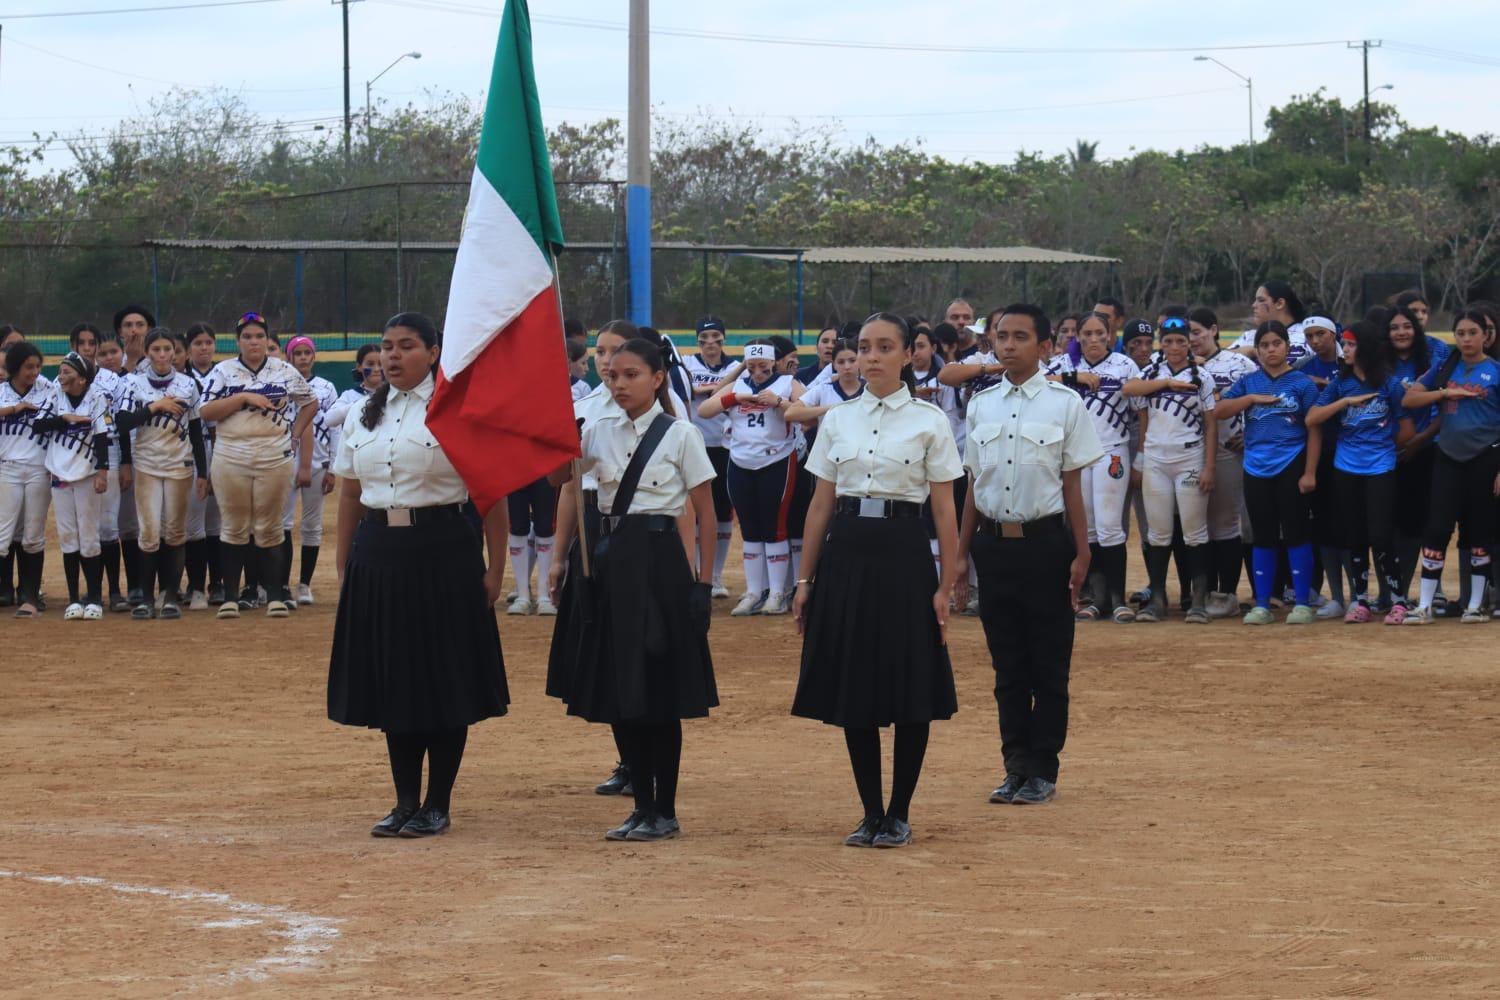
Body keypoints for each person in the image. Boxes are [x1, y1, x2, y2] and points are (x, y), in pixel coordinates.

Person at [328, 311, 509, 839]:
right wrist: (344, 565)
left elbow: (490, 497)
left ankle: (438, 802)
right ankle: (404, 800)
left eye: (406, 346)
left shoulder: (459, 412)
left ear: (434, 353)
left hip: (444, 552)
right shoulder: (362, 413)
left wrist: (496, 570)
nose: (392, 355)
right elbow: (349, 495)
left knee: (443, 678)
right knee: (394, 682)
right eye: (387, 346)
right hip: (379, 554)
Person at [790, 313, 961, 848]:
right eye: (864, 347)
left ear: (910, 354)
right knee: (854, 684)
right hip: (846, 553)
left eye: (885, 347)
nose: (871, 356)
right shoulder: (838, 419)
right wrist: (804, 580)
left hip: (904, 554)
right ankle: (869, 812)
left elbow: (946, 512)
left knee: (909, 681)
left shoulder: (930, 421)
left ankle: (900, 811)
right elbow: (819, 506)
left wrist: (945, 583)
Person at [562, 337, 718, 843]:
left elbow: (707, 514)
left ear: (656, 378)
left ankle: (665, 809)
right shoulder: (593, 429)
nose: (620, 383)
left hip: (660, 565)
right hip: (610, 562)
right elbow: (559, 481)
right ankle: (642, 806)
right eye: (613, 375)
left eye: (631, 374)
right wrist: (559, 440)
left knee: (659, 689)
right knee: (620, 685)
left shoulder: (680, 435)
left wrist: (704, 582)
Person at [956, 303, 1101, 807]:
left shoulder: (1065, 405)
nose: (1009, 344)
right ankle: (1014, 765)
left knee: (1049, 664)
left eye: (1021, 336)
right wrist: (960, 556)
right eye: (1002, 335)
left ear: (1045, 348)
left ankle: (1043, 767)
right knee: (1008, 666)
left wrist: (1081, 554)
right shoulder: (981, 405)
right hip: (993, 547)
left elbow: (1073, 486)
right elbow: (975, 484)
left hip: (1046, 546)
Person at [548, 319, 641, 797]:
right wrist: (560, 555)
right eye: (601, 352)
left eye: (618, 351)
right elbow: (568, 487)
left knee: (639, 651)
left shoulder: (660, 414)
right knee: (603, 651)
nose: (607, 361)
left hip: (642, 534)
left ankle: (647, 757)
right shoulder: (582, 412)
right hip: (592, 531)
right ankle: (627, 757)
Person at [199, 312, 316, 619]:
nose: (254, 341)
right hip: (231, 456)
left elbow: (310, 402)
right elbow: (206, 411)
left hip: (273, 456)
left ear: (267, 340)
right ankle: (232, 598)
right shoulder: (224, 371)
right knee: (235, 526)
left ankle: (275, 596)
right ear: (238, 341)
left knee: (270, 526)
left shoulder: (284, 370)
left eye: (259, 336)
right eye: (247, 336)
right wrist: (243, 398)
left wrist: (294, 434)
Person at [1303, 321, 1413, 624]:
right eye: (1345, 344)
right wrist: (1345, 402)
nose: (1345, 350)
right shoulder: (1341, 383)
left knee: (1381, 534)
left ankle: (1398, 601)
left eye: (1350, 345)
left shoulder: (1388, 384)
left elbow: (1406, 428)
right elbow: (1313, 418)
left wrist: (1384, 447)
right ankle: (1360, 601)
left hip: (1380, 466)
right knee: (1354, 535)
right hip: (1346, 467)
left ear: (1365, 348)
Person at [1217, 322, 1324, 624]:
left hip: (1291, 462)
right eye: (1264, 345)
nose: (1271, 350)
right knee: (1262, 535)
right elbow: (1220, 409)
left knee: (1296, 532)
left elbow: (1314, 429)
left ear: (1287, 346)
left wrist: (1310, 472)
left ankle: (1301, 602)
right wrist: (1249, 401)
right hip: (1255, 466)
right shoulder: (1250, 382)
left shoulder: (1302, 383)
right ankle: (1262, 603)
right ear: (1258, 350)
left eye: (1277, 343)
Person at [1401, 309, 1500, 625]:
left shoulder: (1496, 371)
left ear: (1486, 335)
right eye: (1461, 333)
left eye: (1473, 332)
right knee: (1437, 527)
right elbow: (1410, 400)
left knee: (1479, 530)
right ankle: (1425, 605)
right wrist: (1444, 392)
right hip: (1448, 457)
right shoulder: (1446, 367)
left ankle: (1474, 605)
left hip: (1485, 457)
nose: (1467, 339)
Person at [1121, 317, 1218, 623]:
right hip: (1156, 460)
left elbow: (1212, 424)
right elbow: (1130, 391)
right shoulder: (1151, 373)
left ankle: (1199, 600)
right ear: (1160, 344)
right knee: (1158, 532)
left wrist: (1210, 467)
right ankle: (1158, 598)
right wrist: (1165, 383)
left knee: (1194, 530)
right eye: (1168, 341)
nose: (1174, 347)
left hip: (1190, 457)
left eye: (1180, 341)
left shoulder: (1201, 376)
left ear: (1189, 343)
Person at [699, 339, 799, 616]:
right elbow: (704, 410)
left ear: (773, 363)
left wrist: (778, 401)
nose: (757, 372)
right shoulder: (738, 385)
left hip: (776, 459)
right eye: (752, 366)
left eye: (763, 366)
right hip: (741, 462)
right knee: (750, 528)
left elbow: (805, 413)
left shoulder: (786, 383)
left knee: (774, 526)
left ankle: (777, 592)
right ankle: (754, 590)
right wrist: (735, 398)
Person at [114, 328, 209, 620]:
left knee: (176, 531)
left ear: (175, 352)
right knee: (149, 532)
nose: (162, 355)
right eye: (155, 349)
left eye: (167, 349)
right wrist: (155, 406)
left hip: (180, 465)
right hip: (147, 465)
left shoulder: (187, 384)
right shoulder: (133, 383)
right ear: (147, 352)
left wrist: (203, 472)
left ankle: (169, 595)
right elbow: (123, 421)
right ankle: (145, 597)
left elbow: (195, 430)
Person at [1065, 311, 1142, 623]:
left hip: (1112, 451)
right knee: (1089, 527)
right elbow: (1041, 381)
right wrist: (1075, 378)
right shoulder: (1067, 364)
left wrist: (1142, 455)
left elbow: (1140, 404)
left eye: (1100, 333)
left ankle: (1118, 599)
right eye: (1087, 334)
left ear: (1110, 336)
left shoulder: (1124, 365)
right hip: (1077, 455)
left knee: (1111, 525)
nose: (1094, 339)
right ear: (1078, 337)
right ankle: (1096, 600)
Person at [1188, 307, 1259, 618]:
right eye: (1187, 333)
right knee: (1193, 525)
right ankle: (1200, 592)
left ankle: (1226, 593)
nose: (1192, 339)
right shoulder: (1174, 366)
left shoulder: (1239, 363)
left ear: (1213, 330)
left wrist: (1251, 434)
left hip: (1226, 450)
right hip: (1187, 452)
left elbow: (1262, 399)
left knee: (1226, 523)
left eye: (1197, 332)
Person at [34, 352, 111, 620]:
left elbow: (102, 436)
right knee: (68, 537)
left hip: (88, 474)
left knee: (89, 537)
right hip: (60, 474)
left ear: (81, 377)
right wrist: (64, 420)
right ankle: (74, 600)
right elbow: (38, 425)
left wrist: (103, 472)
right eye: (61, 372)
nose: (61, 376)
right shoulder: (56, 395)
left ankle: (94, 599)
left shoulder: (97, 397)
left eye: (67, 372)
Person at [1387, 305, 1449, 608]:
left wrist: (1421, 440)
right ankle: (1396, 590)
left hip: (1427, 449)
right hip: (1389, 455)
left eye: (1407, 326)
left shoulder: (1432, 361)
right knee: (1398, 525)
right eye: (1395, 327)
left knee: (1429, 522)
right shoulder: (1380, 364)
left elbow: (1445, 407)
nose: (1401, 332)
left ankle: (1432, 589)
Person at [276, 336, 338, 606]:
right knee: (283, 524)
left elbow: (335, 428)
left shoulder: (326, 388)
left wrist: (333, 467)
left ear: (314, 357)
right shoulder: (280, 384)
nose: (302, 357)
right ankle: (281, 584)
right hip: (284, 460)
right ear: (289, 357)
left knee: (312, 526)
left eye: (307, 353)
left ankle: (304, 584)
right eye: (297, 353)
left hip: (319, 462)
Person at [682, 316, 738, 597]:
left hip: (725, 447)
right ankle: (694, 571)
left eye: (715, 336)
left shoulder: (735, 366)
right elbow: (689, 391)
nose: (710, 343)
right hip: (695, 445)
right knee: (693, 510)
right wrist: (714, 390)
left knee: (723, 510)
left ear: (723, 339)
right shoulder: (687, 365)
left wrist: (709, 392)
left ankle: (715, 574)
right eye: (704, 338)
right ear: (698, 341)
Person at [0, 341, 55, 617]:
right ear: (14, 368)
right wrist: (14, 409)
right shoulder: (2, 392)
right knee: (2, 534)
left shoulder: (48, 389)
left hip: (38, 468)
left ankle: (31, 597)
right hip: (7, 468)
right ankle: (5, 589)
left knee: (33, 536)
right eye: (28, 367)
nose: (34, 372)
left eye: (37, 366)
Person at [182, 322, 224, 608]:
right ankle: (195, 585)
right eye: (198, 343)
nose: (204, 347)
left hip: (222, 449)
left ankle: (218, 584)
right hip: (192, 450)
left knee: (217, 522)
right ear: (188, 348)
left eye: (208, 342)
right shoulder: (181, 378)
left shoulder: (225, 374)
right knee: (192, 522)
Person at [1232, 281, 1308, 362]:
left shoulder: (1306, 336)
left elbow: (1281, 369)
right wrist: (1249, 350)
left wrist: (1252, 351)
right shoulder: (1249, 336)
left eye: (1261, 300)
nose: (1253, 305)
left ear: (1280, 304)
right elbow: (1219, 360)